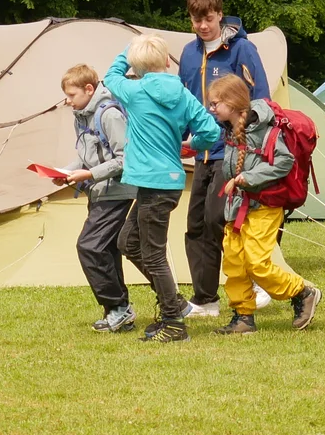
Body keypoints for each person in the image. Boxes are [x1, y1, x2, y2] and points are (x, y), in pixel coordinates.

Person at [105, 35, 224, 343]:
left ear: (137, 66)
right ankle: (175, 303)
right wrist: (193, 145)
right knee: (128, 242)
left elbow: (110, 76)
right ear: (165, 61)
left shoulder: (134, 91)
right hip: (166, 184)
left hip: (152, 185)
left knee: (153, 255)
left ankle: (173, 323)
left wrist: (128, 48)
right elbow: (211, 131)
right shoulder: (183, 94)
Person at [177, 0, 272, 321]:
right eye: (196, 19)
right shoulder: (189, 54)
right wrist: (179, 139)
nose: (202, 25)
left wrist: (247, 142)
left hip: (232, 151)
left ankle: (255, 282)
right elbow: (183, 102)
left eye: (208, 18)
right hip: (201, 153)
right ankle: (205, 299)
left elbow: (261, 101)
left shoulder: (242, 50)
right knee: (196, 225)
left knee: (221, 220)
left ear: (220, 14)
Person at [204, 74, 320, 335]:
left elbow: (284, 161)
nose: (211, 109)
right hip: (238, 206)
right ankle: (243, 316)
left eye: (215, 104)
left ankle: (302, 292)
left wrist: (248, 177)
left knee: (257, 262)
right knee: (234, 260)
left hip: (264, 205)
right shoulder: (230, 129)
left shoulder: (265, 129)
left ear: (232, 103)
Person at [54, 63, 135, 334]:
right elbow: (86, 155)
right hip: (99, 191)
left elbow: (125, 159)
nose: (68, 101)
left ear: (89, 89)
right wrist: (66, 172)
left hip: (117, 191)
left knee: (89, 246)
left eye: (71, 95)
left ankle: (118, 307)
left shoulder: (109, 114)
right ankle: (119, 311)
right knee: (107, 250)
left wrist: (89, 174)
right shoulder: (81, 115)